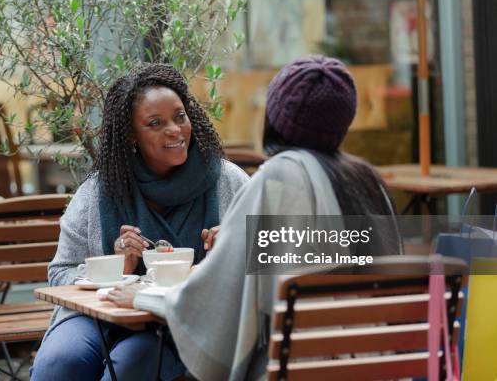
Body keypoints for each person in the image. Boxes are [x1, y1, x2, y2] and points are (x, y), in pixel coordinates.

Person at [105, 55, 401, 380]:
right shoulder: (368, 180)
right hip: (373, 366)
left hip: (298, 368)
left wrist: (144, 297)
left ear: (277, 114)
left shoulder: (275, 181)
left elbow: (215, 297)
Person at [30, 63, 250, 381]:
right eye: (155, 123)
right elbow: (60, 273)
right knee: (60, 364)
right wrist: (117, 267)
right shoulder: (100, 190)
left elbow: (269, 265)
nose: (174, 130)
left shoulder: (228, 183)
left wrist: (231, 249)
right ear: (132, 133)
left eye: (179, 116)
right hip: (96, 318)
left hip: (178, 325)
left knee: (130, 366)